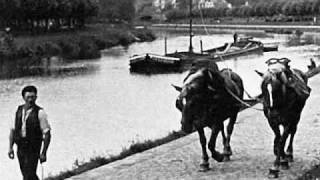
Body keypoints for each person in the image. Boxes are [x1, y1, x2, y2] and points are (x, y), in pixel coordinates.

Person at [8, 85, 51, 180]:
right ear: (23, 98)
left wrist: (44, 152)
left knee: (29, 173)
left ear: (36, 97)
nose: (30, 100)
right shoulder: (18, 111)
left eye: (33, 97)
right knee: (25, 172)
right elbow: (12, 130)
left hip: (33, 147)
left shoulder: (40, 112)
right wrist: (10, 148)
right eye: (28, 97)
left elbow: (47, 133)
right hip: (20, 146)